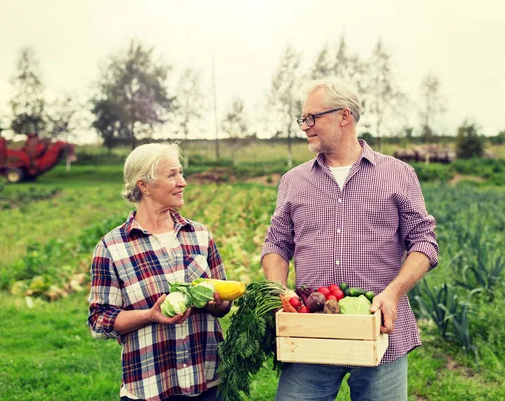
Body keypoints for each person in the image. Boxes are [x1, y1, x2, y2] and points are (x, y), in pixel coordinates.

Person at [261, 77, 438, 401]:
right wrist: (279, 291)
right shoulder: (293, 181)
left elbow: (424, 242)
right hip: (311, 332)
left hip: (379, 331)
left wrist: (393, 293)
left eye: (312, 117)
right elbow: (277, 242)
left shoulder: (398, 174)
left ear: (344, 116)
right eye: (303, 118)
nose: (305, 126)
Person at [88, 143, 231, 401]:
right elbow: (99, 321)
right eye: (172, 175)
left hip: (207, 380)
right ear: (144, 185)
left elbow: (223, 306)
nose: (182, 182)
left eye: (181, 173)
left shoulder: (199, 235)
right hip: (150, 385)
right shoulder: (112, 247)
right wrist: (150, 315)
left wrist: (217, 303)